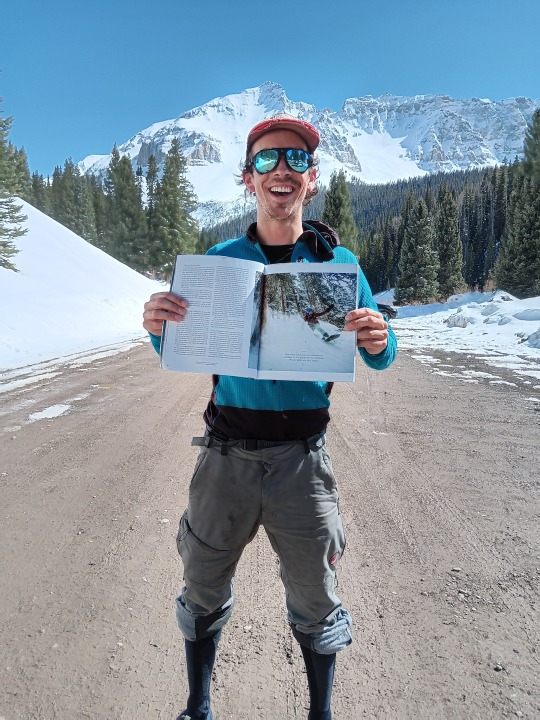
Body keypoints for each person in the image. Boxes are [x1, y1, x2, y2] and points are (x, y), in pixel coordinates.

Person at [142, 114, 398, 720]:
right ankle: (198, 706)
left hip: (302, 461)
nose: (282, 168)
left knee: (316, 595)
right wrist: (158, 327)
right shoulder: (219, 262)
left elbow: (380, 353)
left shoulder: (339, 265)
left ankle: (320, 713)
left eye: (295, 158)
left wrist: (379, 338)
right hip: (225, 456)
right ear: (248, 177)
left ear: (312, 177)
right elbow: (180, 344)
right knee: (203, 583)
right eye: (267, 158)